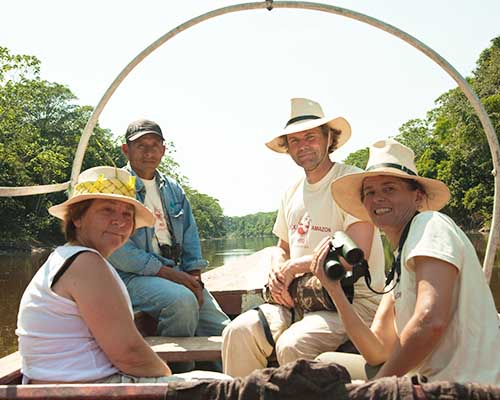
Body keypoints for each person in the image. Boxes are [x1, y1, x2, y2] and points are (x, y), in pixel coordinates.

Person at [16, 166, 230, 383]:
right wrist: (171, 378)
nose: (119, 221)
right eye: (107, 210)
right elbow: (130, 356)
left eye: (127, 214)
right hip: (87, 388)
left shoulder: (70, 257)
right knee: (223, 385)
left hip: (81, 384)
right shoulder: (86, 263)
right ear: (77, 219)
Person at [312, 139, 500, 384]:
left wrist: (377, 387)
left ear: (418, 197)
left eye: (389, 189)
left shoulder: (430, 225)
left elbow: (430, 320)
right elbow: (377, 350)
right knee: (324, 364)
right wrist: (334, 289)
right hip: (423, 381)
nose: (377, 198)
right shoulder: (403, 257)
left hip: (463, 387)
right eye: (370, 192)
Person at [222, 98, 386, 377]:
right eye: (294, 141)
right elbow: (282, 247)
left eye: (310, 137)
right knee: (237, 332)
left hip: (351, 301)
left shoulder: (351, 182)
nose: (303, 146)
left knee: (293, 345)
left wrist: (293, 268)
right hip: (302, 297)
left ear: (328, 138)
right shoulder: (291, 191)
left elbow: (357, 254)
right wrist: (277, 271)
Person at [109, 119, 230, 371]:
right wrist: (169, 274)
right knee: (182, 302)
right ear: (125, 150)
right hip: (130, 277)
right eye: (141, 145)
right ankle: (178, 379)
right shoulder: (117, 188)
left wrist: (194, 276)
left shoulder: (173, 189)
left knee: (225, 330)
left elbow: (190, 235)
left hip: (176, 273)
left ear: (164, 150)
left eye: (155, 145)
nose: (149, 152)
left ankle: (228, 381)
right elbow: (118, 251)